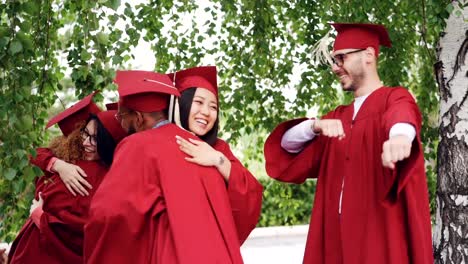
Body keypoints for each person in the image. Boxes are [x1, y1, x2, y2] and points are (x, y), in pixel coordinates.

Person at [263, 23, 433, 263]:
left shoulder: (392, 99)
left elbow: (403, 114)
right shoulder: (336, 119)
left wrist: (400, 137)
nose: (335, 67)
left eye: (341, 58)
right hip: (335, 240)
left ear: (368, 55)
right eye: (334, 60)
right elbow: (286, 147)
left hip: (378, 237)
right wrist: (314, 125)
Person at [84, 70, 244, 264]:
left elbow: (109, 214)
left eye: (121, 117)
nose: (121, 124)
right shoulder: (200, 146)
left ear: (139, 118)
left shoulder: (137, 145)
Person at [8, 94, 126, 264]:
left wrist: (41, 217)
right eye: (84, 135)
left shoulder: (102, 180)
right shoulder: (65, 164)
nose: (86, 143)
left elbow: (84, 230)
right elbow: (36, 155)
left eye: (95, 139)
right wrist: (58, 165)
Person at [169, 66, 263, 244]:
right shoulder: (162, 144)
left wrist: (218, 160)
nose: (206, 112)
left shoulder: (219, 148)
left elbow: (251, 193)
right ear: (182, 103)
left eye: (213, 107)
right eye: (199, 102)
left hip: (210, 244)